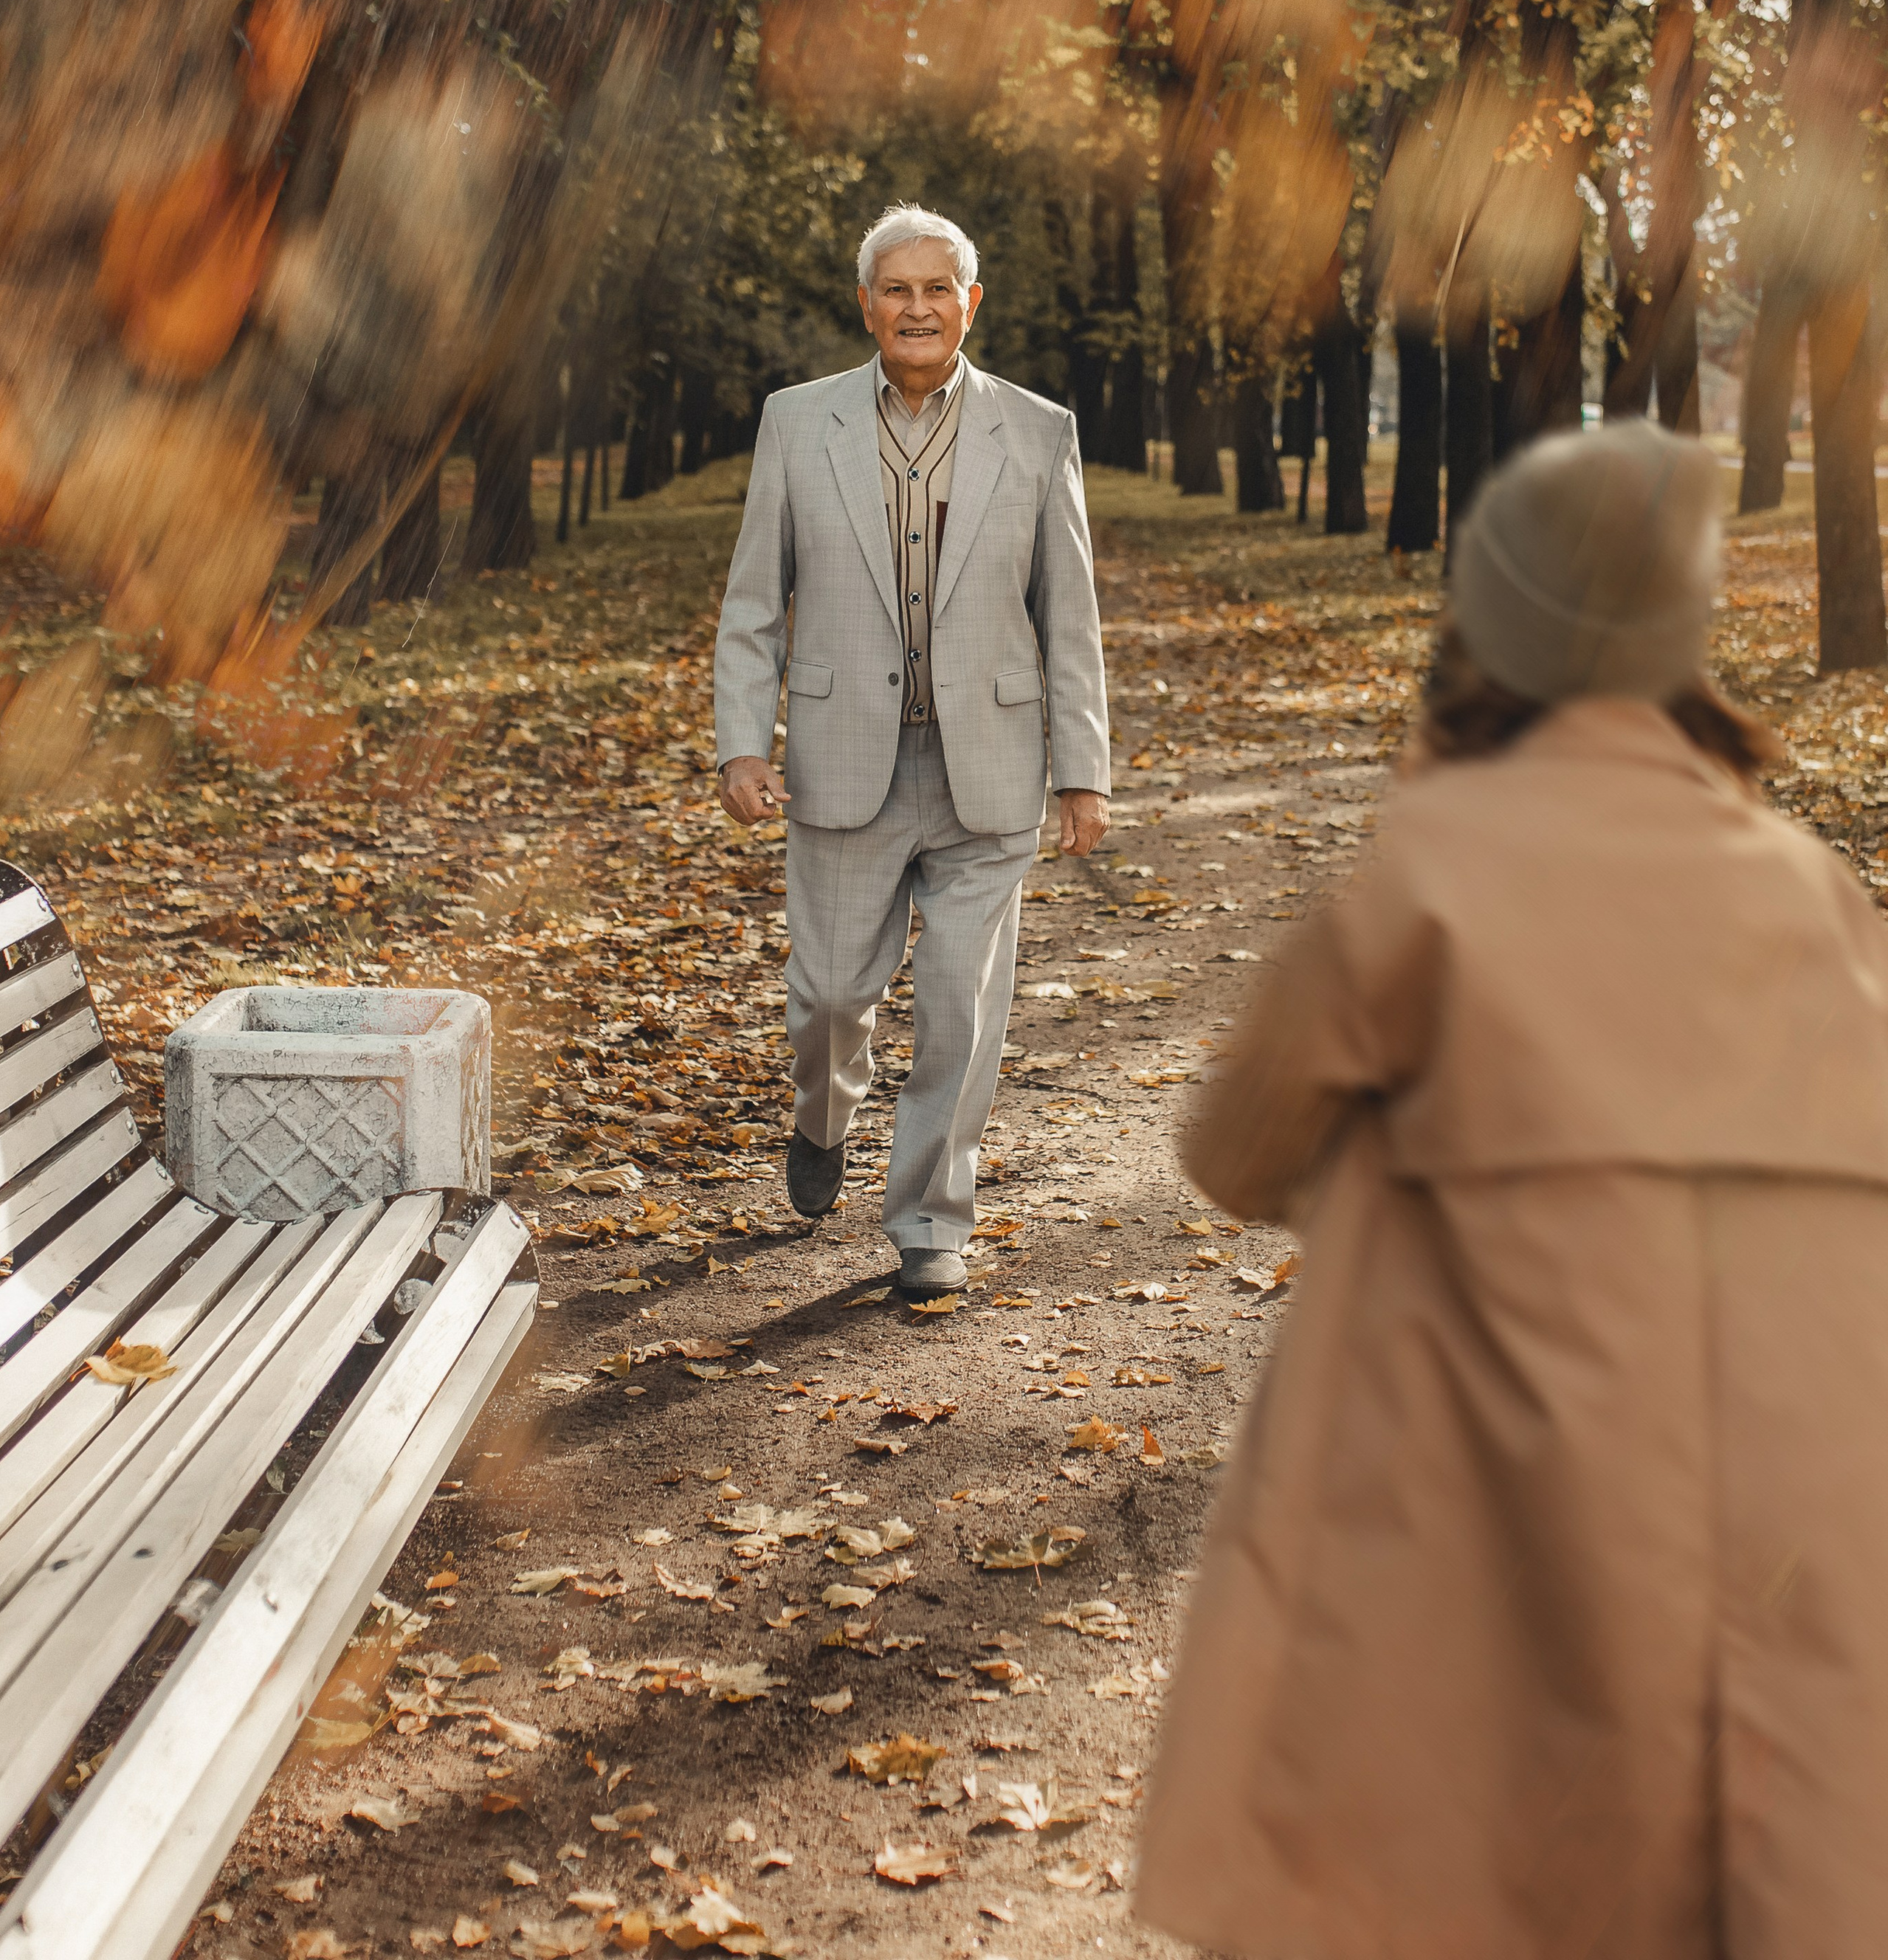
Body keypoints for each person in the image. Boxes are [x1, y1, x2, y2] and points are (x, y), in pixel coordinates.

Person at [1139, 418, 1888, 1960]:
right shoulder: (1803, 886)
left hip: (1493, 1458)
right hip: (1798, 1466)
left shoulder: (1427, 869)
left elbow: (1233, 1147)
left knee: (1494, 1814)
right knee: (1755, 1819)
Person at [713, 202, 1111, 1300]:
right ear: (867, 306)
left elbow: (1067, 613)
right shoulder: (799, 423)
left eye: (940, 290)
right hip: (843, 766)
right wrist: (743, 744)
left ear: (970, 304)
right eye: (899, 289)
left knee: (961, 1009)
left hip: (990, 769)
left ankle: (933, 1220)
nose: (919, 308)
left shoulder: (1038, 432)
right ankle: (824, 1111)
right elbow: (755, 601)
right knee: (833, 996)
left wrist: (1081, 768)